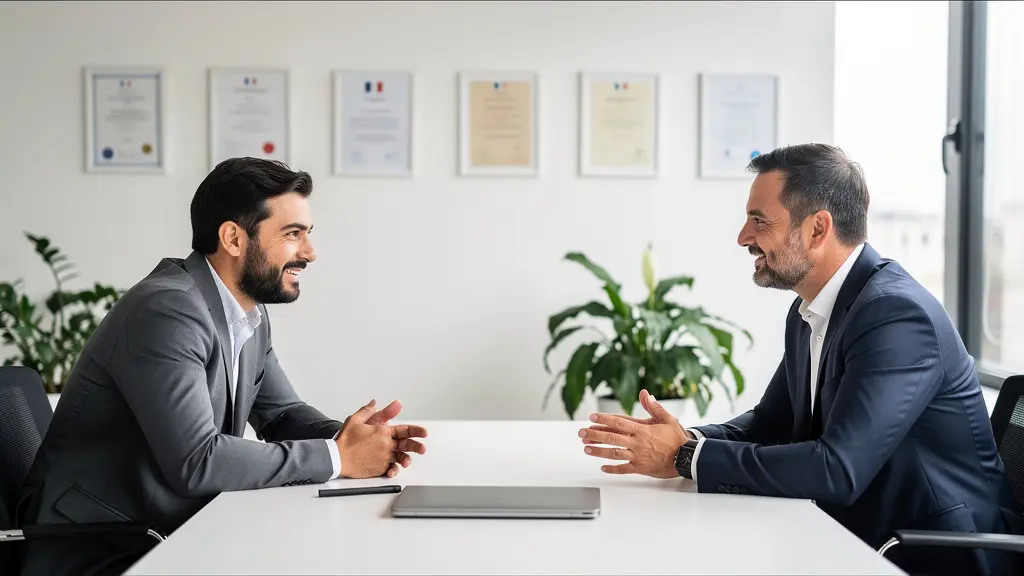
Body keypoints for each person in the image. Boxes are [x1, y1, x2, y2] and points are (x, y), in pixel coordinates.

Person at [578, 144, 1022, 576]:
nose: (743, 237)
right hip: (855, 534)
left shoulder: (896, 316)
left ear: (817, 229)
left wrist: (686, 457)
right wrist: (685, 439)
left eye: (759, 221)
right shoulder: (811, 309)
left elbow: (838, 469)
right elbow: (771, 421)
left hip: (935, 553)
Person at [17, 158, 428, 576]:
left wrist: (353, 439)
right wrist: (338, 457)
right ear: (233, 238)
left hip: (170, 524)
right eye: (292, 234)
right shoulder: (167, 310)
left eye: (308, 234)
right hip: (104, 544)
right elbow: (197, 461)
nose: (310, 252)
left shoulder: (246, 312)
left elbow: (282, 414)